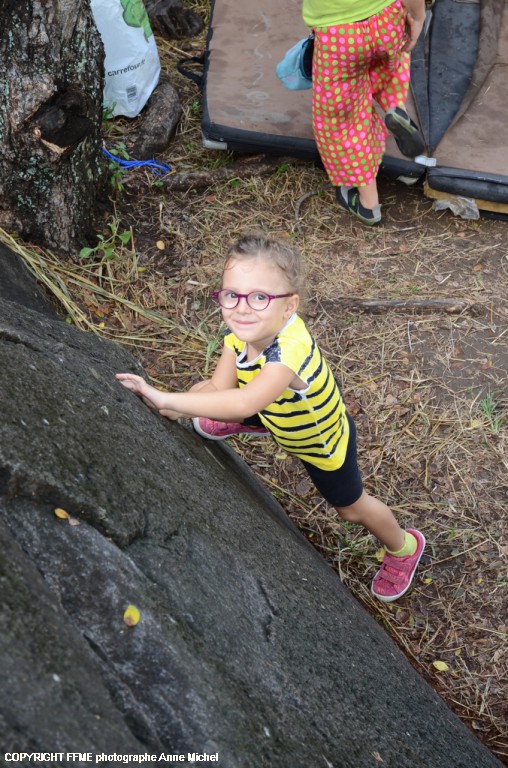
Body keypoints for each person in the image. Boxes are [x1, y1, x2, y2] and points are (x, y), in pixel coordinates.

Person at [116, 233, 425, 602]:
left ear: (289, 306)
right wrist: (181, 403)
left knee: (352, 509)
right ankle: (259, 422)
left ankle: (404, 547)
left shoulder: (289, 351)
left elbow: (245, 400)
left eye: (259, 297)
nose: (242, 309)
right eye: (232, 295)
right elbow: (220, 386)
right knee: (207, 395)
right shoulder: (241, 332)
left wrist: (168, 400)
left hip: (319, 443)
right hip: (275, 412)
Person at [303, 0, 426, 225]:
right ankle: (396, 107)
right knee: (389, 66)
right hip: (386, 18)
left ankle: (369, 203)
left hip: (338, 34)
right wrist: (417, 16)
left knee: (344, 120)